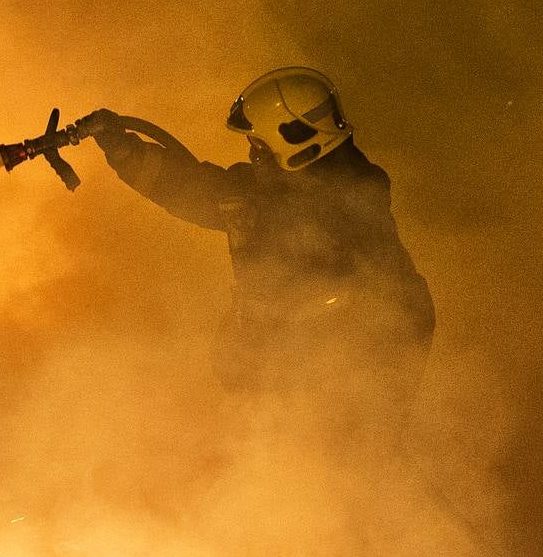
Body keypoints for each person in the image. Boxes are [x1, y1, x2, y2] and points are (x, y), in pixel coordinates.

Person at [75, 67, 434, 434]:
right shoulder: (284, 193)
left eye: (259, 145)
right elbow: (193, 188)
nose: (253, 153)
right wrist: (124, 150)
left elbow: (209, 195)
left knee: (337, 454)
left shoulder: (340, 204)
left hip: (338, 395)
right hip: (293, 387)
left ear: (293, 140)